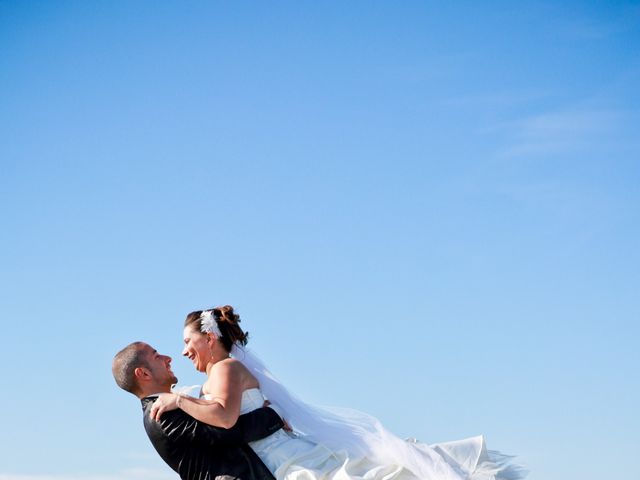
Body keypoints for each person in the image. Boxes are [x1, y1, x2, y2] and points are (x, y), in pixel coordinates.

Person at [151, 306, 527, 480]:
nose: (184, 351)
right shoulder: (217, 373)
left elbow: (225, 416)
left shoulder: (226, 368)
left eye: (188, 341)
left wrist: (179, 399)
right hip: (273, 457)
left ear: (210, 338)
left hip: (282, 458)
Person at [112, 341, 285, 480]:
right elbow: (230, 431)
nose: (168, 358)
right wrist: (274, 413)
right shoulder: (162, 415)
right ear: (143, 374)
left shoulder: (170, 405)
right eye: (157, 356)